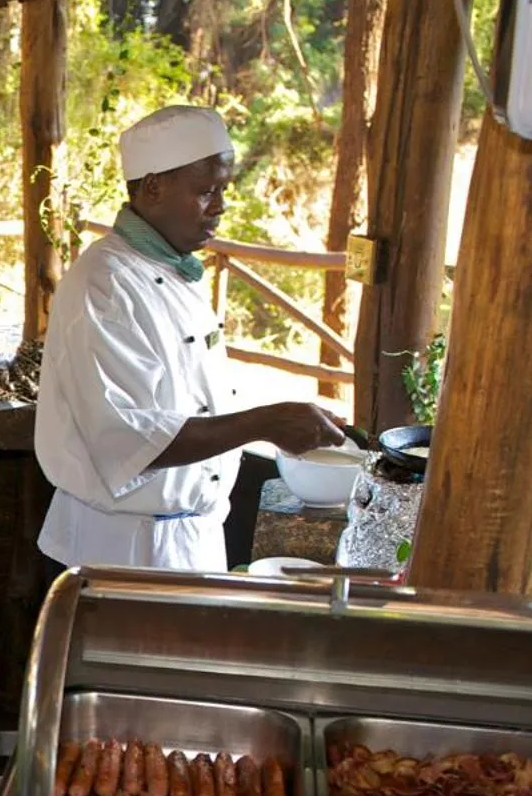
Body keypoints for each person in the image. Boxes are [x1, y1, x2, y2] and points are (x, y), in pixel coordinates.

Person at [34, 105, 344, 573]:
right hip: (123, 551)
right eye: (206, 191)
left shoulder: (173, 270)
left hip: (189, 539)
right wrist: (262, 422)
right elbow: (131, 440)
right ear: (153, 186)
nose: (220, 205)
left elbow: (190, 398)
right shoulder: (103, 284)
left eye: (223, 190)